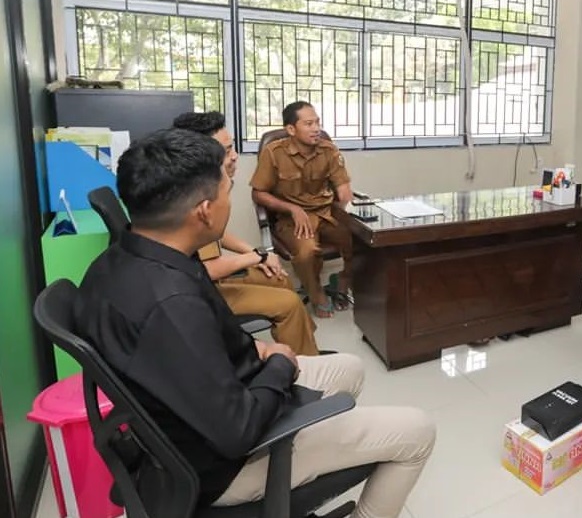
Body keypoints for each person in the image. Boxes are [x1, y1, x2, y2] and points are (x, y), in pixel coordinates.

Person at [75, 129, 436, 517]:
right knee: (418, 431)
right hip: (222, 464)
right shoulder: (172, 304)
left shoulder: (119, 262)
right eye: (227, 190)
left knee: (350, 368)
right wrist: (279, 362)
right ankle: (313, 450)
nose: (230, 199)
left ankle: (323, 445)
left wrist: (256, 350)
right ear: (204, 210)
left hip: (206, 409)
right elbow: (238, 430)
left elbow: (201, 354)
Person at [173, 111, 319, 355]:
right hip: (200, 291)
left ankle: (304, 345)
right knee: (290, 304)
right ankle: (304, 364)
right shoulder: (195, 199)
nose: (234, 156)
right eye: (227, 150)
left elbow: (215, 234)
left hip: (204, 279)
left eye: (232, 148)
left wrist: (254, 252)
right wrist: (257, 257)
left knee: (279, 277)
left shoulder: (195, 183)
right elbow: (206, 269)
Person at [251, 101, 355, 317]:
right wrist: (292, 209)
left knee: (363, 240)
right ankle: (317, 293)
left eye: (317, 122)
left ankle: (343, 280)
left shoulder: (329, 150)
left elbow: (344, 191)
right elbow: (258, 194)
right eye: (308, 124)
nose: (316, 129)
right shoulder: (274, 153)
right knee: (307, 251)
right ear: (291, 129)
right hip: (292, 219)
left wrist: (347, 209)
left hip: (327, 213)